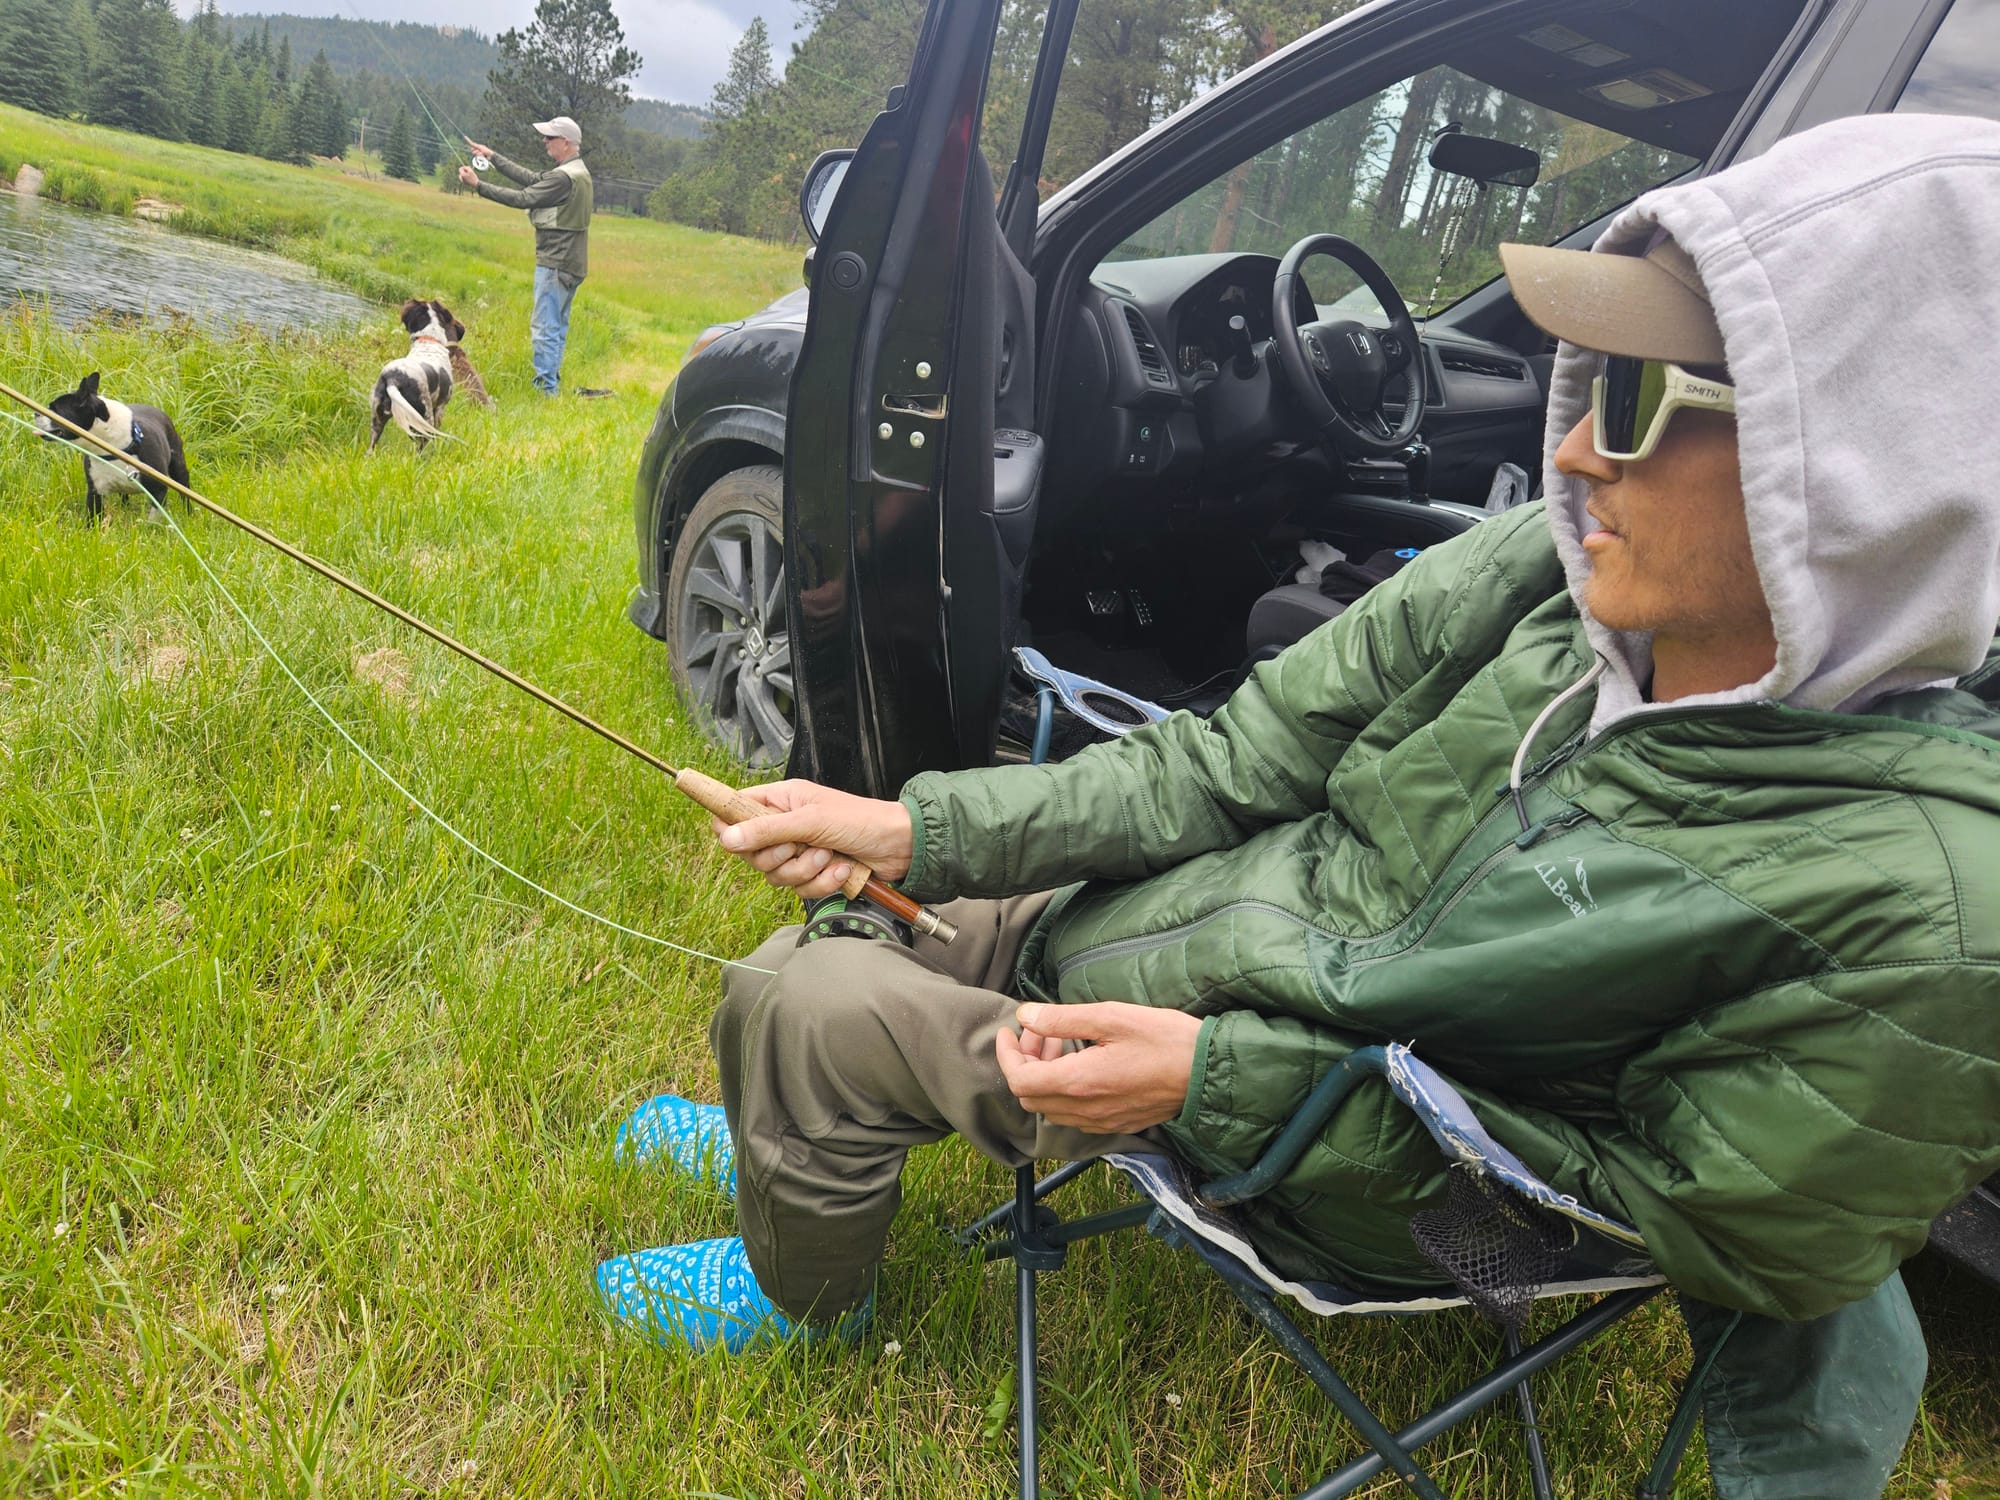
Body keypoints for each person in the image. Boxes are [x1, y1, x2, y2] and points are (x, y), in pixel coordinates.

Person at [599, 112, 2000, 1499]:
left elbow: (1681, 1222)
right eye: (1593, 386)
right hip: (1213, 927)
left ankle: (806, 1295)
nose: (1572, 460)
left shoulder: (1931, 903)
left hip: (1338, 1149)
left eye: (1635, 404)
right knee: (836, 927)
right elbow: (1229, 761)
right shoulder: (1543, 572)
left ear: (1862, 468)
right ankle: (797, 1130)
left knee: (807, 1010)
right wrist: (916, 831)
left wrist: (1216, 1081)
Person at [458, 117, 594, 396]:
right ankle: (550, 387)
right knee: (556, 328)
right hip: (571, 263)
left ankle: (546, 391)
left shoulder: (563, 177)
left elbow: (523, 197)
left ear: (566, 143)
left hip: (555, 263)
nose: (544, 141)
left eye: (550, 138)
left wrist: (478, 186)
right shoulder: (575, 171)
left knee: (545, 329)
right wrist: (492, 156)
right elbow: (533, 179)